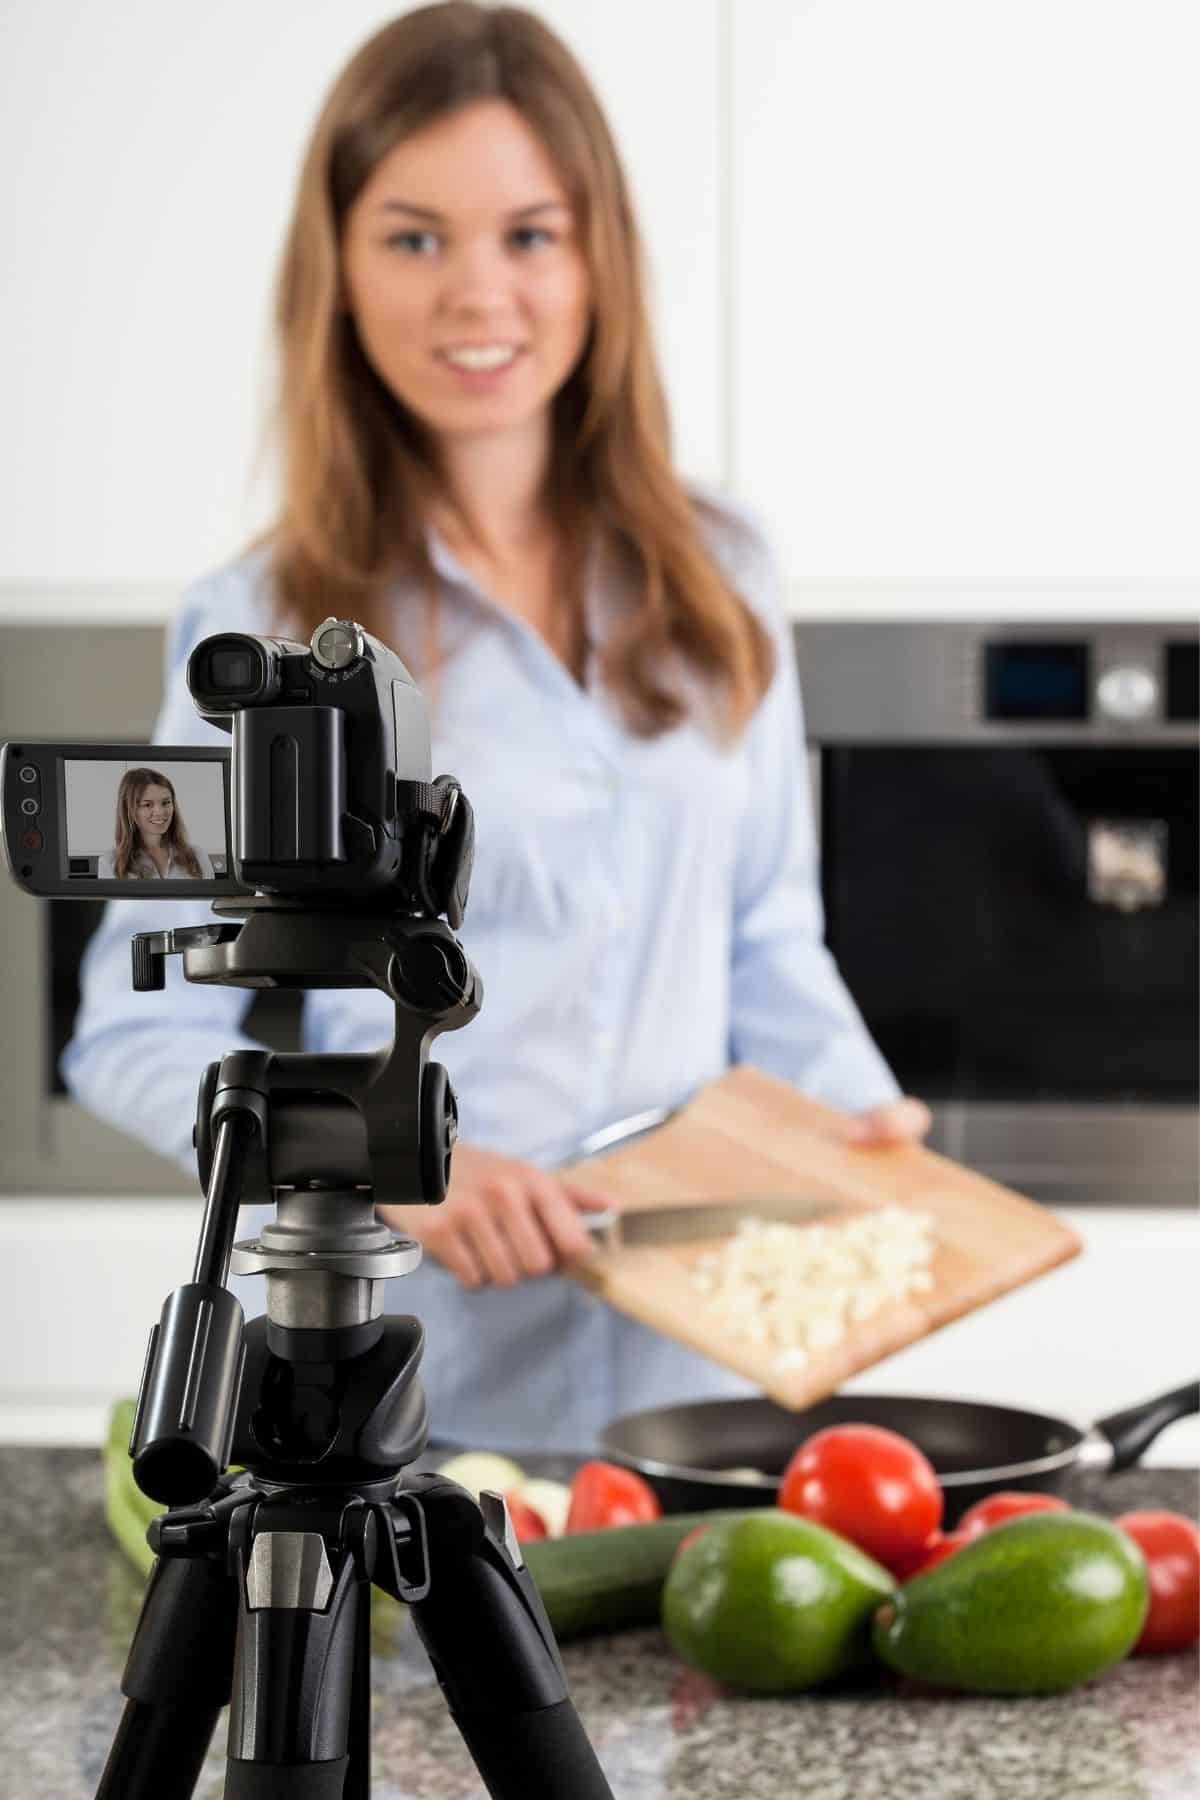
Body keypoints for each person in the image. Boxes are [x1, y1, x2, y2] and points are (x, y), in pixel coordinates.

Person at [63, 2, 931, 1453]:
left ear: (599, 260)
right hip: (413, 1392)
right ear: (336, 268)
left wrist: (856, 1120)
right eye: (415, 238)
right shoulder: (263, 628)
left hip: (706, 1384)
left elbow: (764, 939)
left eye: (530, 235)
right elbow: (134, 1035)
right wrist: (384, 1157)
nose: (480, 296)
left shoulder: (725, 572)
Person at [95, 767, 215, 880]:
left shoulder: (198, 857)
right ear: (129, 810)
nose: (160, 812)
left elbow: (211, 901)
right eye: (147, 805)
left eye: (166, 803)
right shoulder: (110, 863)